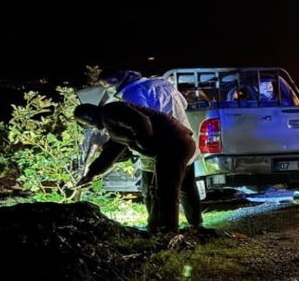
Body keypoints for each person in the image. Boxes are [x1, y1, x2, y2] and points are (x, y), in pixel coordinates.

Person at [98, 68, 204, 230]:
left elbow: (139, 125)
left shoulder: (132, 94)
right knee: (187, 186)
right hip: (184, 140)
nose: (108, 90)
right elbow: (184, 103)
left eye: (107, 86)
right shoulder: (161, 83)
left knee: (153, 191)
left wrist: (139, 146)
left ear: (116, 83)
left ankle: (158, 227)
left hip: (160, 148)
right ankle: (196, 224)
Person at [75, 102, 197, 234]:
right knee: (157, 192)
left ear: (87, 118)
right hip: (170, 147)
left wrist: (144, 144)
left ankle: (169, 232)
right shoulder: (111, 122)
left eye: (85, 123)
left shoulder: (111, 110)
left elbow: (141, 121)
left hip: (173, 145)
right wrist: (91, 174)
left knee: (166, 192)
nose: (88, 126)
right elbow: (110, 153)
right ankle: (156, 229)